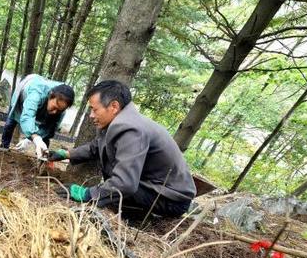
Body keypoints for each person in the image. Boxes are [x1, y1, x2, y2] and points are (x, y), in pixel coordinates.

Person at [48, 80, 196, 218]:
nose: (91, 115)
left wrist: (87, 194)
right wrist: (66, 154)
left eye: (94, 109)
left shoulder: (132, 130)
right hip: (153, 187)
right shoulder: (120, 122)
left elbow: (125, 183)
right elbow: (96, 147)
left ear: (114, 106)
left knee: (110, 200)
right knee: (108, 196)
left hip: (170, 198)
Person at [0, 74, 75, 159]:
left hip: (41, 101)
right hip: (22, 94)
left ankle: (42, 159)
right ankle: (3, 148)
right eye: (54, 107)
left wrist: (30, 139)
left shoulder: (61, 109)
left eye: (59, 110)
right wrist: (35, 137)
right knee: (10, 123)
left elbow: (49, 130)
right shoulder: (36, 93)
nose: (55, 112)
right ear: (50, 96)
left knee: (46, 137)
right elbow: (27, 116)